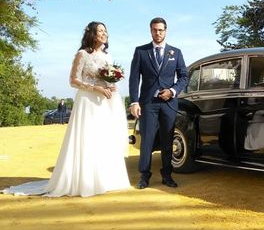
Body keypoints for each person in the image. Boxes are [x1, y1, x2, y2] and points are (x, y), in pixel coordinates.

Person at [2, 22, 131, 197]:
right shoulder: (82, 54)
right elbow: (73, 80)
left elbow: (107, 79)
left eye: (105, 31)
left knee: (103, 137)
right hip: (88, 100)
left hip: (104, 102)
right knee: (87, 138)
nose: (104, 33)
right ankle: (84, 181)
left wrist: (110, 85)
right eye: (100, 31)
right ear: (92, 34)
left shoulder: (108, 57)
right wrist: (95, 88)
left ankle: (105, 179)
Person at [129, 17, 188, 189]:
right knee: (147, 140)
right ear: (151, 31)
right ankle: (144, 175)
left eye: (161, 30)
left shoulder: (175, 52)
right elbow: (134, 78)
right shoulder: (141, 51)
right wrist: (134, 101)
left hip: (169, 103)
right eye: (155, 30)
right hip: (148, 104)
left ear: (166, 30)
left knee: (167, 139)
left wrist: (173, 91)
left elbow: (184, 76)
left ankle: (167, 175)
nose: (158, 33)